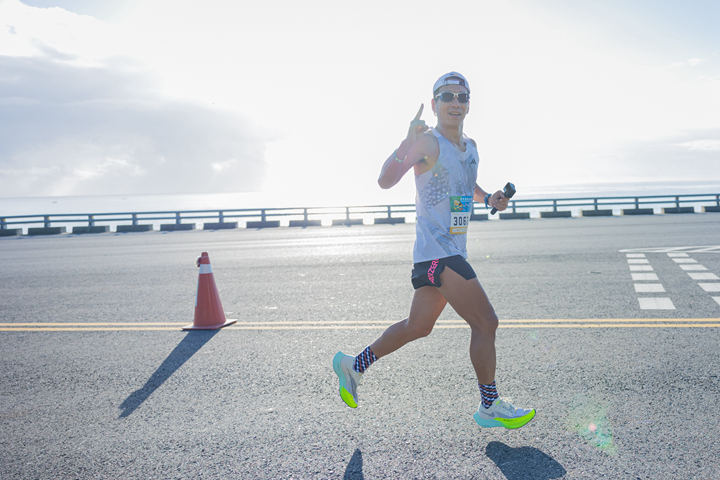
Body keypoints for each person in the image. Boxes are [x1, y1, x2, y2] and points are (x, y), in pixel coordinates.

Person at [333, 72, 535, 429]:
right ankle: (490, 405)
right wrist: (404, 143)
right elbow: (385, 181)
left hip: (451, 249)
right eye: (447, 96)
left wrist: (489, 198)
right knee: (486, 322)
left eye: (462, 96)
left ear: (469, 104)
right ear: (434, 104)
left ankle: (354, 365)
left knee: (418, 327)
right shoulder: (427, 143)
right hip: (437, 252)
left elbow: (465, 186)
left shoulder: (471, 147)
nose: (455, 102)